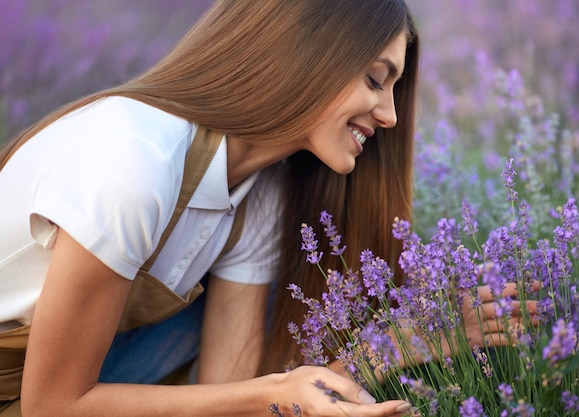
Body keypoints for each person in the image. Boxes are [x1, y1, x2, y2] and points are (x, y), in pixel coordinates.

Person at [0, 0, 420, 416]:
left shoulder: (257, 196)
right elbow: (52, 407)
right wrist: (271, 393)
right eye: (375, 79)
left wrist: (407, 340)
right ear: (303, 52)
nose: (390, 116)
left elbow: (234, 398)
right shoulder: (133, 165)